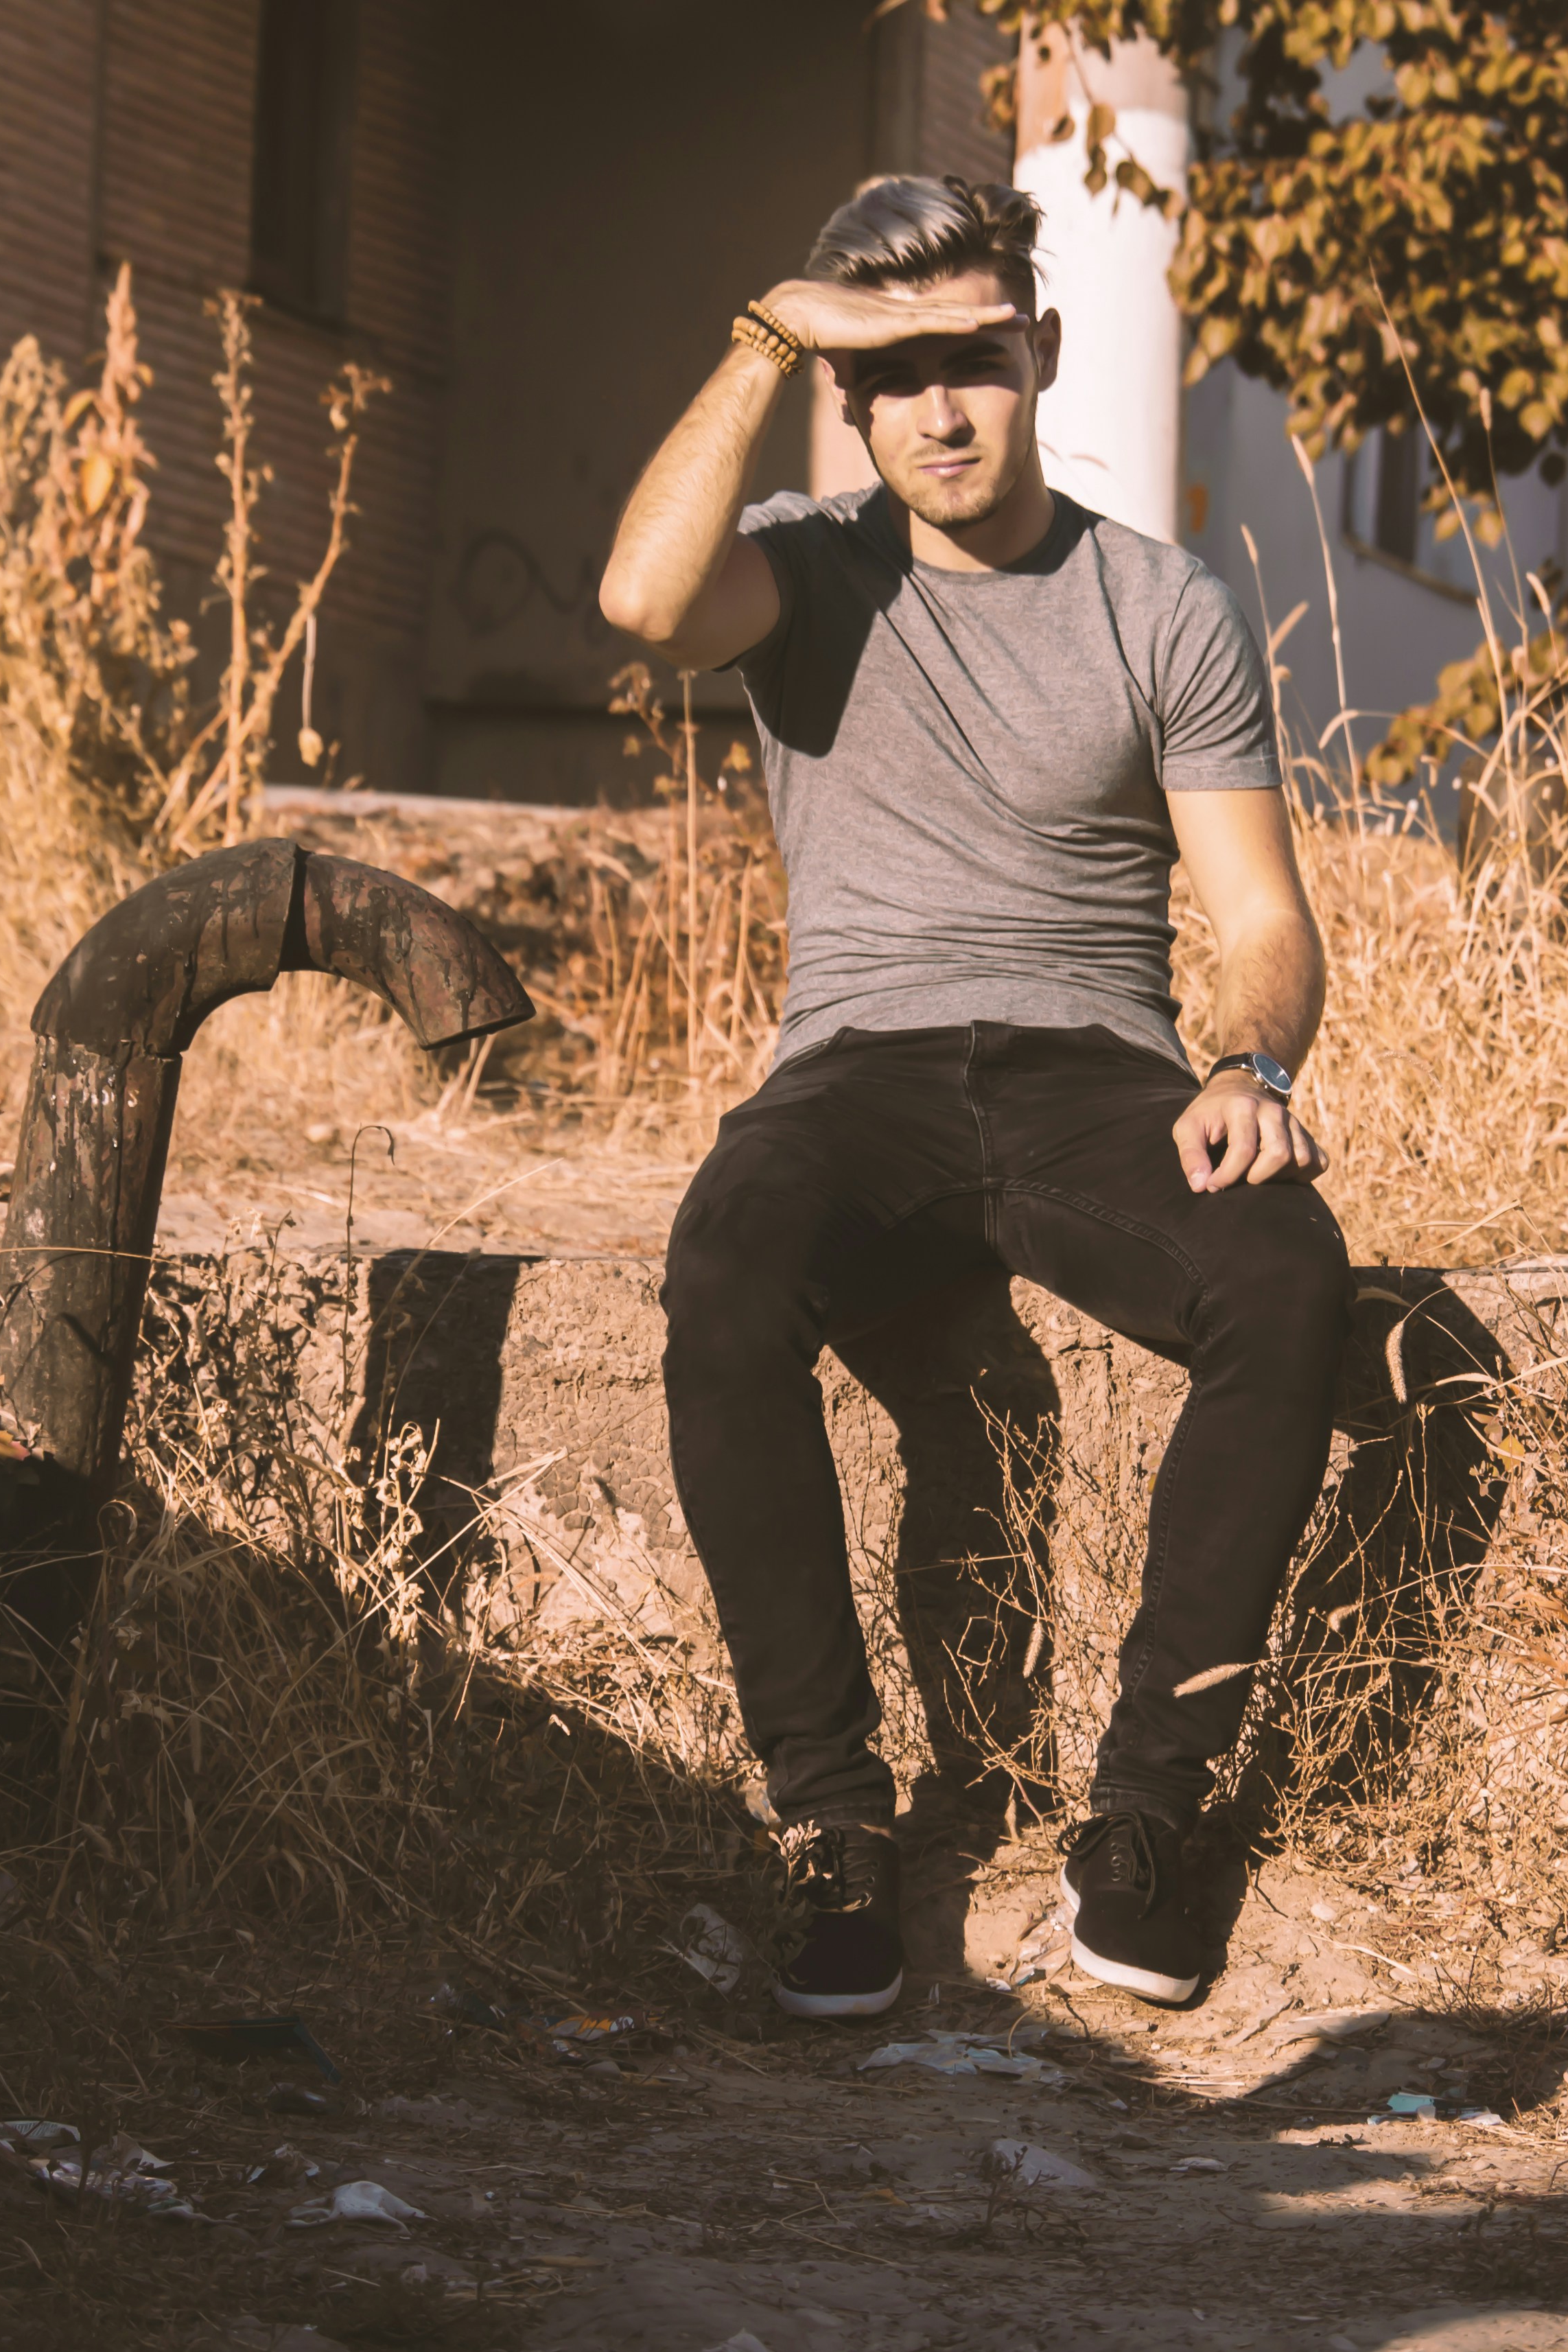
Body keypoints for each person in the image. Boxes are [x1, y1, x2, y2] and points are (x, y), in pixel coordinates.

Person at [596, 175, 1347, 2016]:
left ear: (1046, 355)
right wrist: (770, 338)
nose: (941, 409)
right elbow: (639, 596)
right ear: (852, 398)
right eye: (898, 373)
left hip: (1098, 1067)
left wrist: (1251, 1063)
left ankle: (1148, 1817)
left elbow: (1262, 919)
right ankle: (836, 1826)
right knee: (725, 1270)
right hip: (856, 1065)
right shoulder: (799, 564)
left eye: (977, 363)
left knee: (1288, 1277)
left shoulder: (1158, 599)